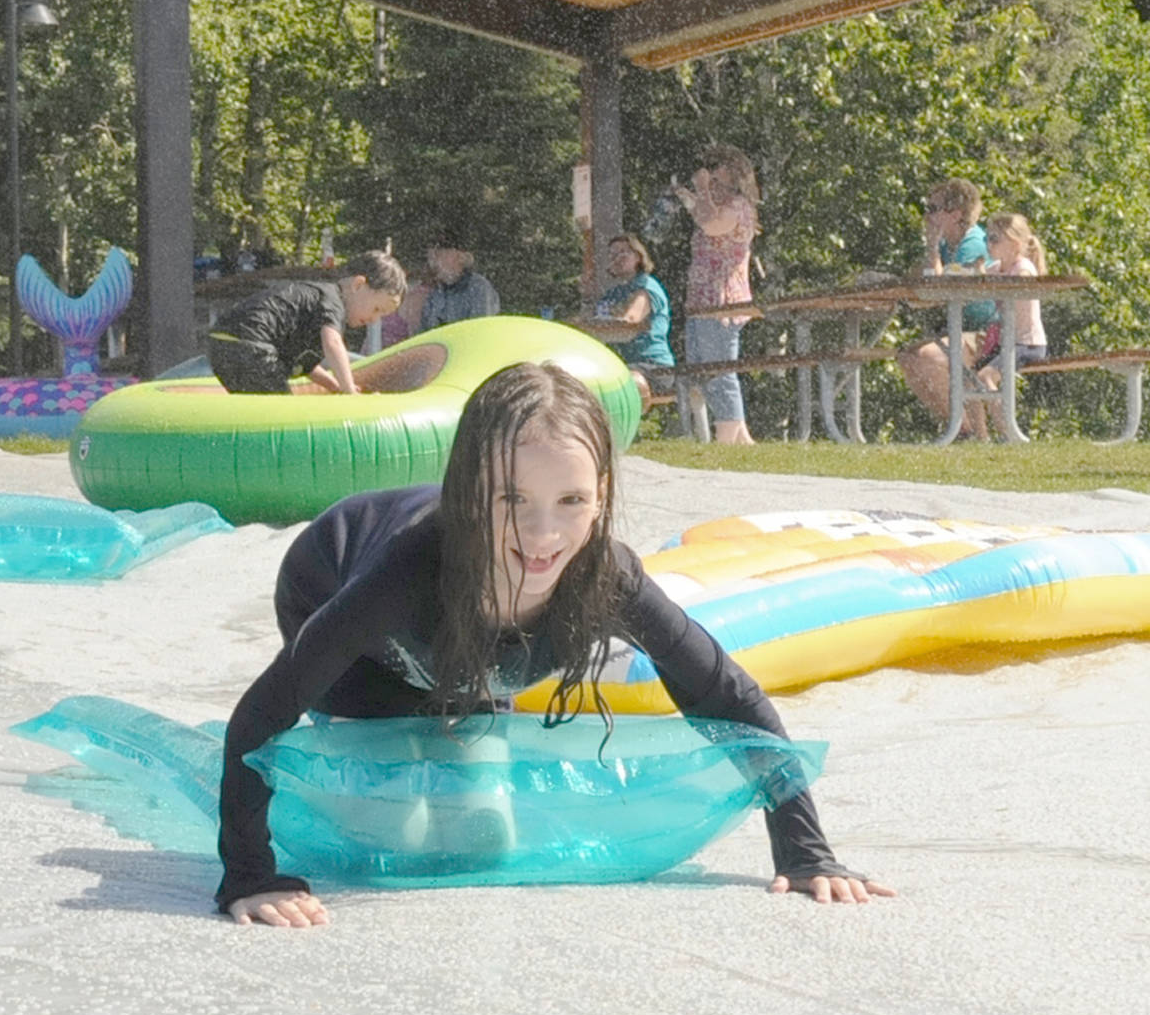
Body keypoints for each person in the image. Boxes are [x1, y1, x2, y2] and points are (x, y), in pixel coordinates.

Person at [218, 362, 893, 927]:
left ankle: (459, 709)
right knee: (391, 839)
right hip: (345, 611)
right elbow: (263, 712)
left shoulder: (607, 572)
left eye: (571, 500)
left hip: (471, 660)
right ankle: (408, 718)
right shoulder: (404, 574)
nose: (543, 536)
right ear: (472, 491)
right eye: (514, 498)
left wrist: (804, 849)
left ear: (602, 494)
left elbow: (723, 691)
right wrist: (250, 874)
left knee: (486, 838)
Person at [207, 249, 407, 396]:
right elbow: (333, 344)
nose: (374, 320)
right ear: (358, 285)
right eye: (377, 309)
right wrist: (349, 392)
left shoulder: (312, 310)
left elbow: (307, 366)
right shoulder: (333, 300)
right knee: (283, 418)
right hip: (251, 344)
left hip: (221, 344)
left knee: (260, 409)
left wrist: (334, 386)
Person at [895, 179, 996, 439]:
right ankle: (969, 433)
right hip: (960, 331)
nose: (926, 215)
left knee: (923, 358)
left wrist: (930, 247)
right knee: (908, 356)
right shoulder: (947, 244)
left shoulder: (973, 245)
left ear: (956, 214)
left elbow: (941, 289)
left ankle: (964, 431)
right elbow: (922, 277)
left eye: (933, 208)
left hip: (989, 334)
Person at [674, 145, 761, 445]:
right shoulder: (715, 204)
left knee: (719, 370)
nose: (711, 183)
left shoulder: (737, 207)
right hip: (703, 301)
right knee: (704, 368)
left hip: (722, 301)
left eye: (717, 178)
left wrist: (700, 190)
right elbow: (700, 213)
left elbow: (710, 225)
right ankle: (741, 438)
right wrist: (689, 194)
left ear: (734, 178)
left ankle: (727, 437)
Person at [592, 232, 674, 404]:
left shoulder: (647, 286)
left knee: (611, 383)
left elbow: (631, 318)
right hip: (622, 365)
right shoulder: (613, 294)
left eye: (624, 252)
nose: (618, 258)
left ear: (638, 256)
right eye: (613, 254)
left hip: (654, 367)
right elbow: (596, 319)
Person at [973, 213, 1049, 394]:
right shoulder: (997, 268)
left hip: (1028, 344)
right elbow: (978, 282)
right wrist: (976, 272)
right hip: (1007, 343)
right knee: (968, 378)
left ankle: (1006, 421)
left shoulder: (1023, 268)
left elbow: (1020, 286)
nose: (988, 244)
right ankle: (986, 422)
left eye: (994, 239)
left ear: (1014, 244)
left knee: (986, 376)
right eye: (986, 238)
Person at [418, 245, 500, 331]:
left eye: (440, 254)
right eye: (433, 256)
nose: (434, 262)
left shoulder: (478, 288)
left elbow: (479, 330)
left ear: (461, 257)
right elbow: (425, 331)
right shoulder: (437, 292)